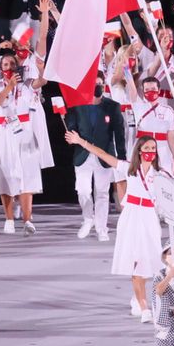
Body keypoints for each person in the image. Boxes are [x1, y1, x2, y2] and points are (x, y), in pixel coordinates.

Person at [63, 130, 174, 322]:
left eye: (153, 148)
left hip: (149, 218)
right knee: (136, 263)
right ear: (139, 151)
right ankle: (145, 308)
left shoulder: (161, 174)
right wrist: (81, 141)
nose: (150, 152)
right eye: (146, 148)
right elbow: (103, 155)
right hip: (131, 216)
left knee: (150, 262)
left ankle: (137, 298)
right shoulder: (128, 168)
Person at [0, 52, 46, 235]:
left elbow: (42, 82)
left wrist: (40, 70)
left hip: (24, 131)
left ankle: (27, 219)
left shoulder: (26, 84)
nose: (9, 67)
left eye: (12, 64)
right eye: (6, 65)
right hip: (4, 132)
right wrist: (9, 87)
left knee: (27, 176)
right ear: (1, 69)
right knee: (6, 176)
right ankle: (9, 218)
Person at [65, 71, 126, 242]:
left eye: (100, 83)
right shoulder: (77, 106)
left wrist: (121, 158)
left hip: (104, 156)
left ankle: (102, 228)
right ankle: (88, 218)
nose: (97, 86)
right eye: (94, 83)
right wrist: (70, 136)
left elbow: (119, 134)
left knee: (102, 193)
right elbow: (71, 127)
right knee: (83, 190)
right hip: (83, 155)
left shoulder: (112, 106)